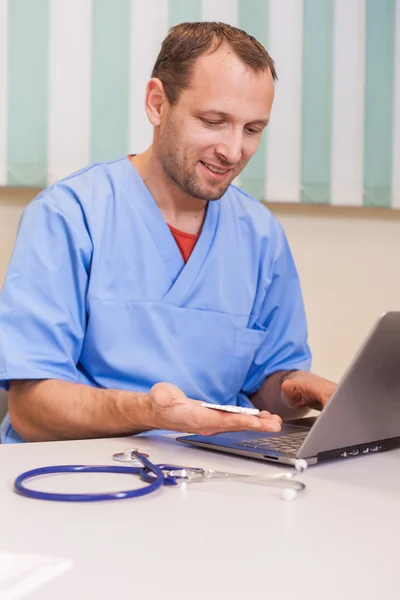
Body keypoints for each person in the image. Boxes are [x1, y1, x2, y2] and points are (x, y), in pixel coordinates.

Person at [0, 22, 336, 444]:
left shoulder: (260, 235)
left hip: (212, 475)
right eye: (214, 121)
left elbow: (268, 384)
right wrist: (150, 412)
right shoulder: (70, 215)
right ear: (157, 103)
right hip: (82, 471)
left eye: (252, 130)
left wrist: (301, 390)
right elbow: (32, 410)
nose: (233, 151)